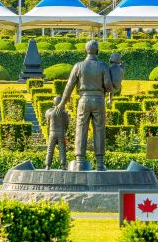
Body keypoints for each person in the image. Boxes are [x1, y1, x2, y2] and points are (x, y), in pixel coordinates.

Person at [55, 40, 123, 171]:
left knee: (81, 128)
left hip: (84, 100)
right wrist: (115, 89)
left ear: (86, 51)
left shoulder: (78, 66)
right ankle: (100, 163)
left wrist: (62, 103)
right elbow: (109, 87)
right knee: (99, 129)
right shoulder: (103, 66)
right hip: (98, 100)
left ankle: (79, 161)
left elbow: (69, 85)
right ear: (97, 51)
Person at [44, 96, 69, 169]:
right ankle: (63, 165)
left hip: (52, 133)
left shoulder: (50, 113)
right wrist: (64, 131)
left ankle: (47, 165)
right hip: (61, 132)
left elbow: (48, 123)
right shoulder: (64, 113)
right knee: (62, 150)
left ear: (54, 103)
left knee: (50, 149)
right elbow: (66, 124)